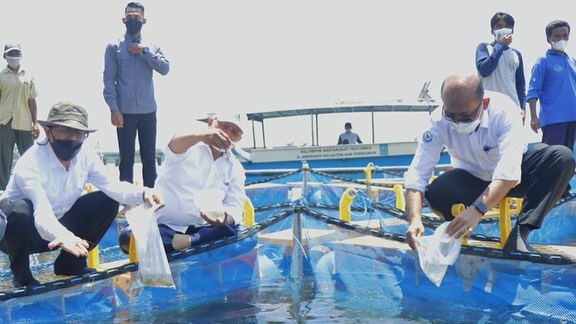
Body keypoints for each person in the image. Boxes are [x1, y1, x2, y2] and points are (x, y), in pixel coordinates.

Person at [404, 74, 574, 255]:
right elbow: (417, 173)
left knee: (562, 158)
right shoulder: (436, 121)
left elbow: (509, 171)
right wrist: (415, 219)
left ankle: (519, 234)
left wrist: (476, 210)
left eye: (465, 116)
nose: (457, 121)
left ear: (483, 104)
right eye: (450, 114)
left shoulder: (504, 110)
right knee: (437, 191)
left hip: (514, 178)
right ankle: (458, 231)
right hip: (473, 181)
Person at [0, 102, 162, 288]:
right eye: (66, 131)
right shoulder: (30, 164)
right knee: (19, 211)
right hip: (18, 236)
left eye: (79, 134)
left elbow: (113, 186)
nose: (72, 139)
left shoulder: (86, 155)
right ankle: (22, 275)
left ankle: (70, 263)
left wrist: (144, 193)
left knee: (108, 200)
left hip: (60, 229)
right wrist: (64, 235)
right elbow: (42, 213)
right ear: (48, 131)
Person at [119, 113, 247, 254]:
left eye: (234, 133)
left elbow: (235, 207)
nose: (227, 134)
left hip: (202, 228)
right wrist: (201, 136)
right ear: (211, 122)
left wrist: (223, 219)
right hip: (163, 225)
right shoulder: (190, 144)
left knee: (241, 233)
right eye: (224, 126)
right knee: (128, 237)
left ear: (239, 139)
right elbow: (171, 146)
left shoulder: (236, 168)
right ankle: (193, 241)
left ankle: (188, 241)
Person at [103, 1, 170, 189]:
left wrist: (144, 51)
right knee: (126, 159)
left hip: (148, 109)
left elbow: (165, 69)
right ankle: (126, 201)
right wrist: (113, 108)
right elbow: (109, 79)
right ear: (124, 20)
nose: (133, 20)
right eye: (130, 17)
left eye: (137, 17)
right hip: (124, 111)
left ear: (144, 20)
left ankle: (152, 199)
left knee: (149, 158)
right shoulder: (113, 47)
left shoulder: (152, 46)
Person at [527, 20, 576, 152]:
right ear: (549, 38)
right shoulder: (542, 61)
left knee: (568, 161)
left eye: (565, 36)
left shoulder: (572, 61)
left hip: (573, 118)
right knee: (553, 160)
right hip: (553, 120)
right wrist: (533, 117)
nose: (562, 39)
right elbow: (533, 91)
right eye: (557, 36)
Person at [0, 44, 39, 190]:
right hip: (5, 122)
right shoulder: (1, 76)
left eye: (16, 52)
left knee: (29, 157)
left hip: (24, 122)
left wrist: (35, 123)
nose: (14, 56)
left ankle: (29, 187)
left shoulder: (28, 75)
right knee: (4, 159)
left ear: (21, 54)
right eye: (11, 53)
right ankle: (2, 191)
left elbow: (32, 100)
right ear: (5, 56)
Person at [475, 12, 526, 121]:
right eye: (499, 26)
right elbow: (484, 70)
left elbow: (520, 85)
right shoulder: (484, 48)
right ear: (492, 30)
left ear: (512, 30)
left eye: (507, 26)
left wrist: (523, 107)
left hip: (512, 107)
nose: (503, 29)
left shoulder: (516, 54)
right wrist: (501, 45)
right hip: (488, 107)